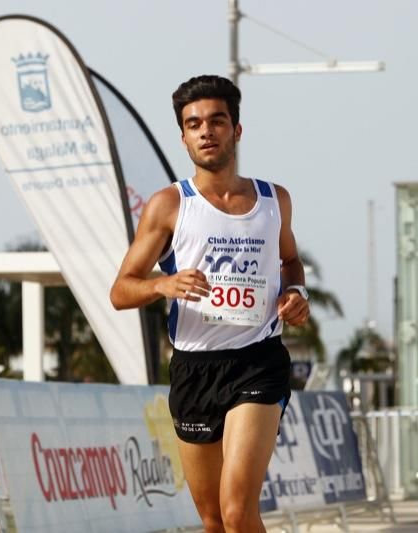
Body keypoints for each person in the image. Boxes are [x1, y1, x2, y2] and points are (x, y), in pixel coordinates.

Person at [110, 74, 309, 533]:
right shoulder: (168, 206)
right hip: (195, 368)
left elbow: (291, 259)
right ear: (183, 137)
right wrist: (163, 285)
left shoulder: (273, 200)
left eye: (217, 121)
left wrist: (296, 292)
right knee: (214, 519)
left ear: (236, 130)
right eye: (194, 123)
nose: (206, 131)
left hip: (258, 363)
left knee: (239, 512)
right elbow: (121, 290)